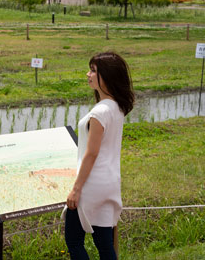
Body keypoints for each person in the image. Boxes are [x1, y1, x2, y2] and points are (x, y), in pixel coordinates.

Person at [61, 52, 135, 260]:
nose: (88, 74)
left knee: (74, 241)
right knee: (104, 244)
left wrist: (76, 190)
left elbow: (92, 153)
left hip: (91, 185)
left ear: (107, 76)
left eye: (93, 71)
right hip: (109, 183)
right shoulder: (117, 107)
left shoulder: (99, 112)